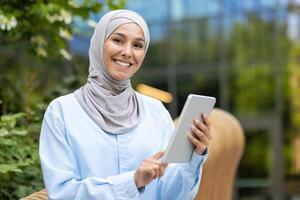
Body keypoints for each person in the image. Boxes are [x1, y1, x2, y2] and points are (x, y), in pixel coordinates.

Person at [39, 9, 212, 200]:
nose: (127, 52)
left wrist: (194, 156)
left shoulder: (155, 112)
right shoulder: (62, 112)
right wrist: (132, 182)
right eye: (118, 40)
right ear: (98, 43)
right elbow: (63, 194)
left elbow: (170, 194)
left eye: (137, 45)